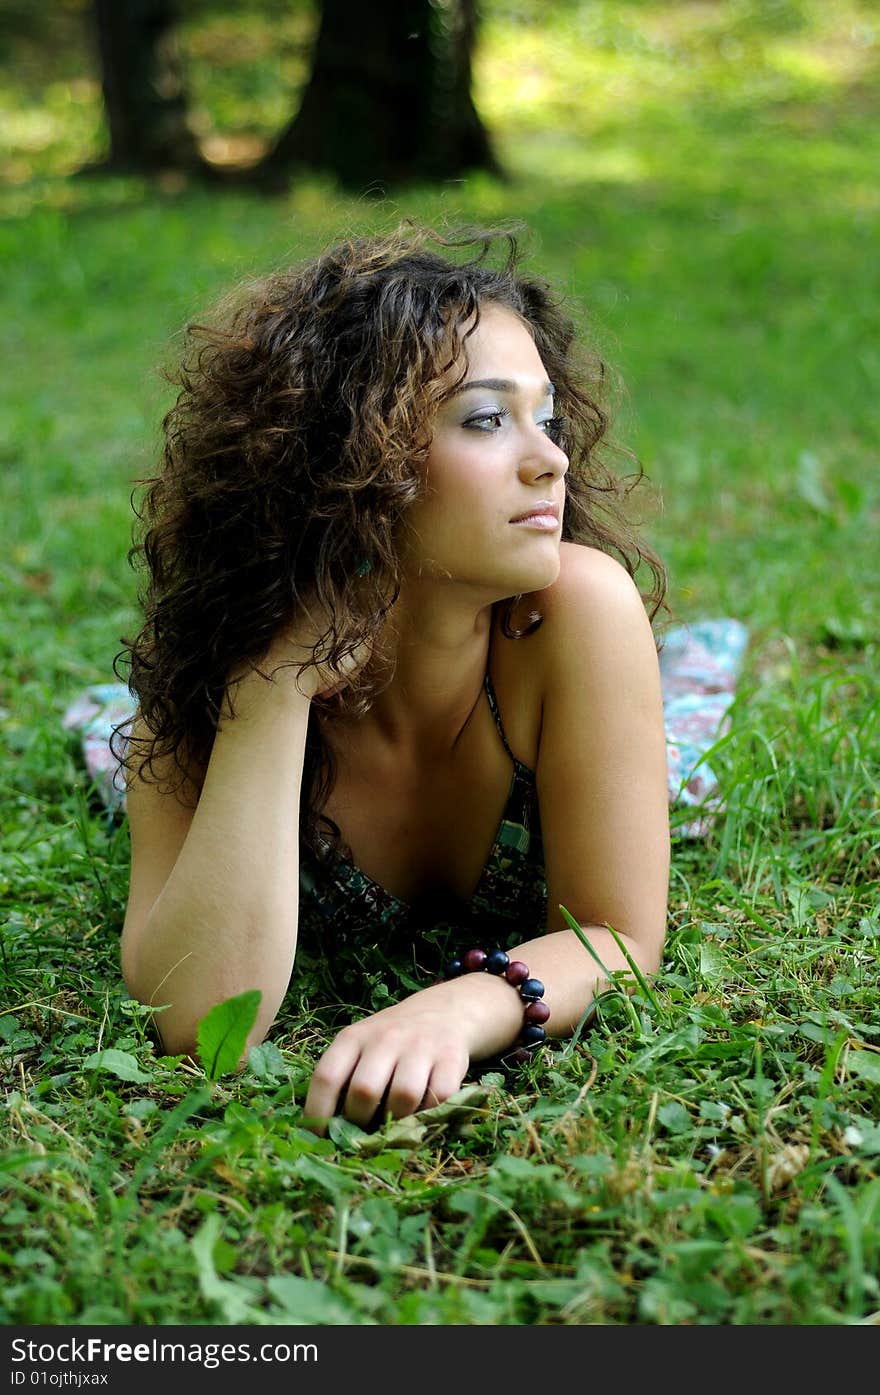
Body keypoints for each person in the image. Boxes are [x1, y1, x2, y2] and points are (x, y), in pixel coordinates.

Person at [116, 221, 671, 1135]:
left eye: (550, 417)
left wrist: (466, 1003)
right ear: (349, 462)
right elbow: (197, 1020)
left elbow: (616, 933)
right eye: (488, 419)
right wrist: (273, 691)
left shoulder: (576, 614)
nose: (552, 457)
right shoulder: (212, 674)